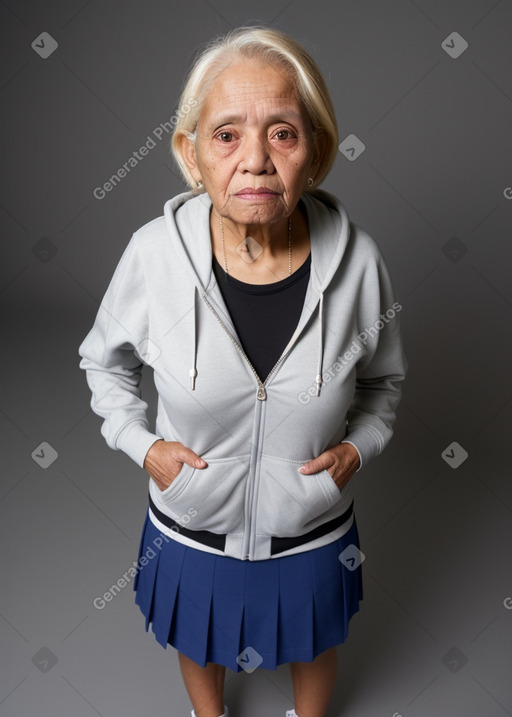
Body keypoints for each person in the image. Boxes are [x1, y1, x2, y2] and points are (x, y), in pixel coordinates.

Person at [78, 26, 407, 717]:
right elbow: (102, 362)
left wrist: (357, 448)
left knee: (315, 635)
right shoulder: (151, 257)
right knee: (195, 630)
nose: (255, 159)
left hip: (312, 521)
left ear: (314, 151)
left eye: (282, 133)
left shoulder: (361, 264)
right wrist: (145, 448)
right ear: (189, 153)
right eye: (227, 135)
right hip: (190, 516)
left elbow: (382, 383)